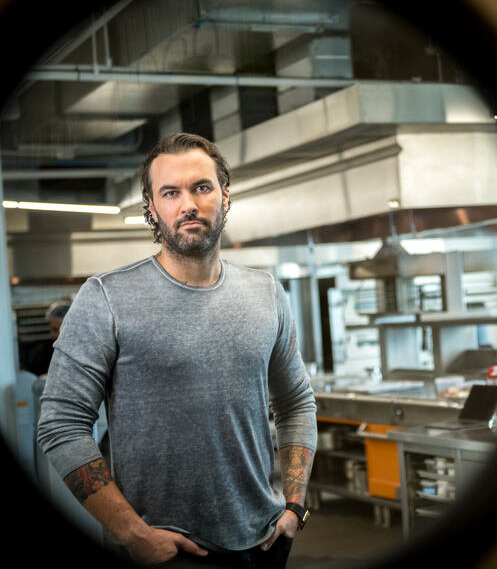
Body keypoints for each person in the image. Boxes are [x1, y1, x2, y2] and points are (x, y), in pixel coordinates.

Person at [37, 132, 317, 568]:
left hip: (264, 543)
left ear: (224, 196)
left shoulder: (266, 293)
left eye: (201, 187)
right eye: (171, 192)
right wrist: (133, 533)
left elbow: (296, 401)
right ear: (152, 206)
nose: (188, 203)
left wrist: (295, 506)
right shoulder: (105, 298)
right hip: (163, 551)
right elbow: (61, 426)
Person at [28, 301, 70, 376]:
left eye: (63, 330)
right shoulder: (43, 353)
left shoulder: (80, 353)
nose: (58, 335)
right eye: (55, 330)